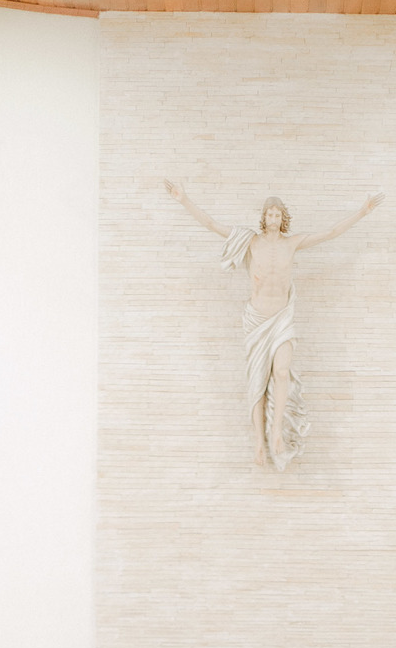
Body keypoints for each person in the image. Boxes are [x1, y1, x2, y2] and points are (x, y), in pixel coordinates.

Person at [163, 183, 383, 469]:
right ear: (264, 217)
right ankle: (259, 441)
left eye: (278, 214)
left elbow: (330, 233)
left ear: (283, 218)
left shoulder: (292, 244)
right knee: (257, 381)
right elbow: (211, 224)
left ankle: (276, 430)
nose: (274, 218)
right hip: (256, 319)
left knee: (281, 372)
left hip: (282, 319)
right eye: (269, 214)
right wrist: (184, 199)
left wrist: (363, 211)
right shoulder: (251, 241)